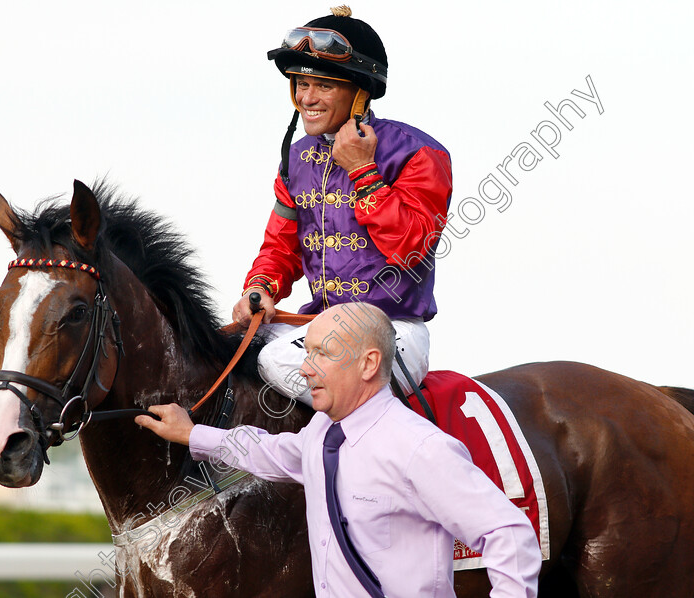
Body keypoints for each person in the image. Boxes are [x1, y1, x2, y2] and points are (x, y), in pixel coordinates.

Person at [136, 303, 541, 597]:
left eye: (322, 354)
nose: (305, 368)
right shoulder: (321, 435)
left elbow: (509, 533)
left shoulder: (421, 448)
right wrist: (194, 435)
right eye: (306, 352)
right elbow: (275, 452)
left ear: (368, 364)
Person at [231, 6, 453, 405]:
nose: (307, 98)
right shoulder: (295, 160)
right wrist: (260, 288)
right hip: (318, 324)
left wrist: (364, 171)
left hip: (393, 330)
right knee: (222, 349)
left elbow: (412, 249)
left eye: (323, 86)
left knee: (278, 360)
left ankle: (345, 456)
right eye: (300, 83)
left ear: (359, 92)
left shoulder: (420, 152)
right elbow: (279, 250)